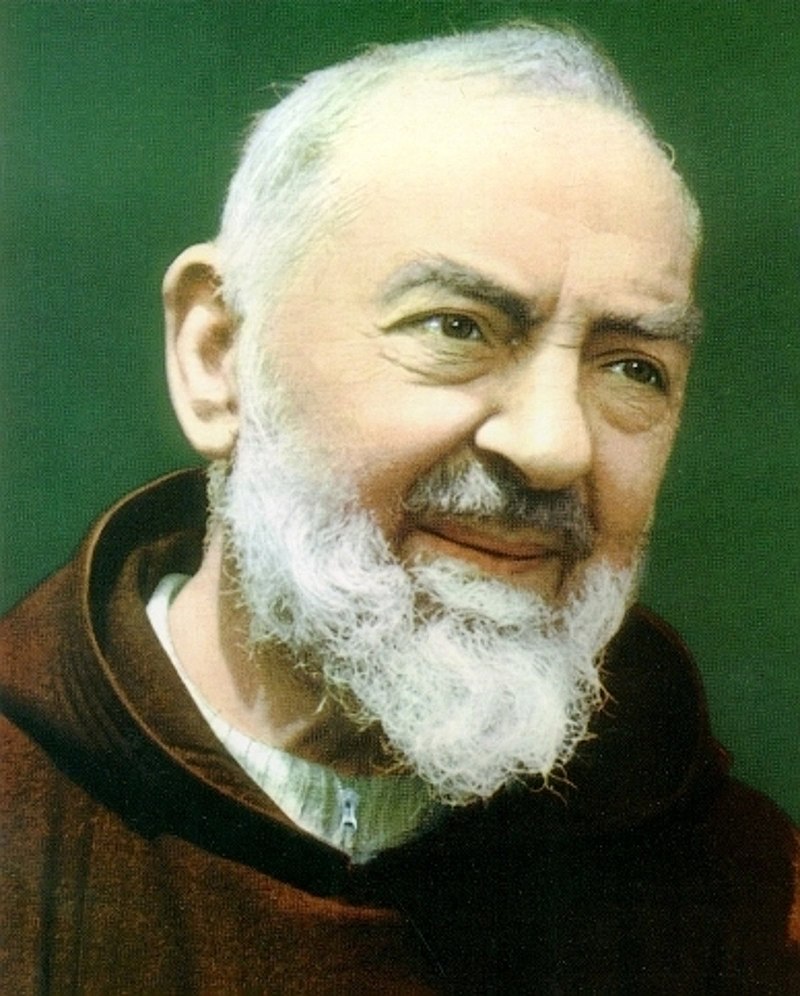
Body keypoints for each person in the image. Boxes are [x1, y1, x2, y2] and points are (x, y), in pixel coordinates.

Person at [1, 23, 798, 992]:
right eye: (455, 326)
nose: (554, 446)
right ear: (217, 358)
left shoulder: (748, 893)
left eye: (632, 367)